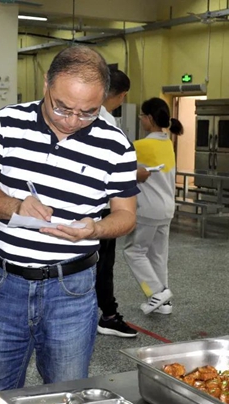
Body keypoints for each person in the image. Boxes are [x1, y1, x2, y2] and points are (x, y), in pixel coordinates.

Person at [0, 45, 138, 390]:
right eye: (62, 107)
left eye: (88, 112)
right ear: (46, 83)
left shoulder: (116, 145)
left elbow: (126, 215)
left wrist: (97, 228)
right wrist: (13, 206)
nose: (72, 121)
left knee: (66, 392)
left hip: (72, 291)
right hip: (6, 285)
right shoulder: (7, 123)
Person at [123, 97, 183, 315]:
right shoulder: (167, 142)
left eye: (142, 116)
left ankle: (157, 292)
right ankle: (162, 303)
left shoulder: (141, 146)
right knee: (158, 255)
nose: (140, 119)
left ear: (148, 118)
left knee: (134, 251)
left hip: (148, 210)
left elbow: (122, 172)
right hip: (167, 208)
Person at [95, 69, 138, 338]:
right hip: (101, 206)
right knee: (102, 262)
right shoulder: (108, 123)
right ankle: (107, 315)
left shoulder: (86, 115)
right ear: (121, 96)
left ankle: (100, 311)